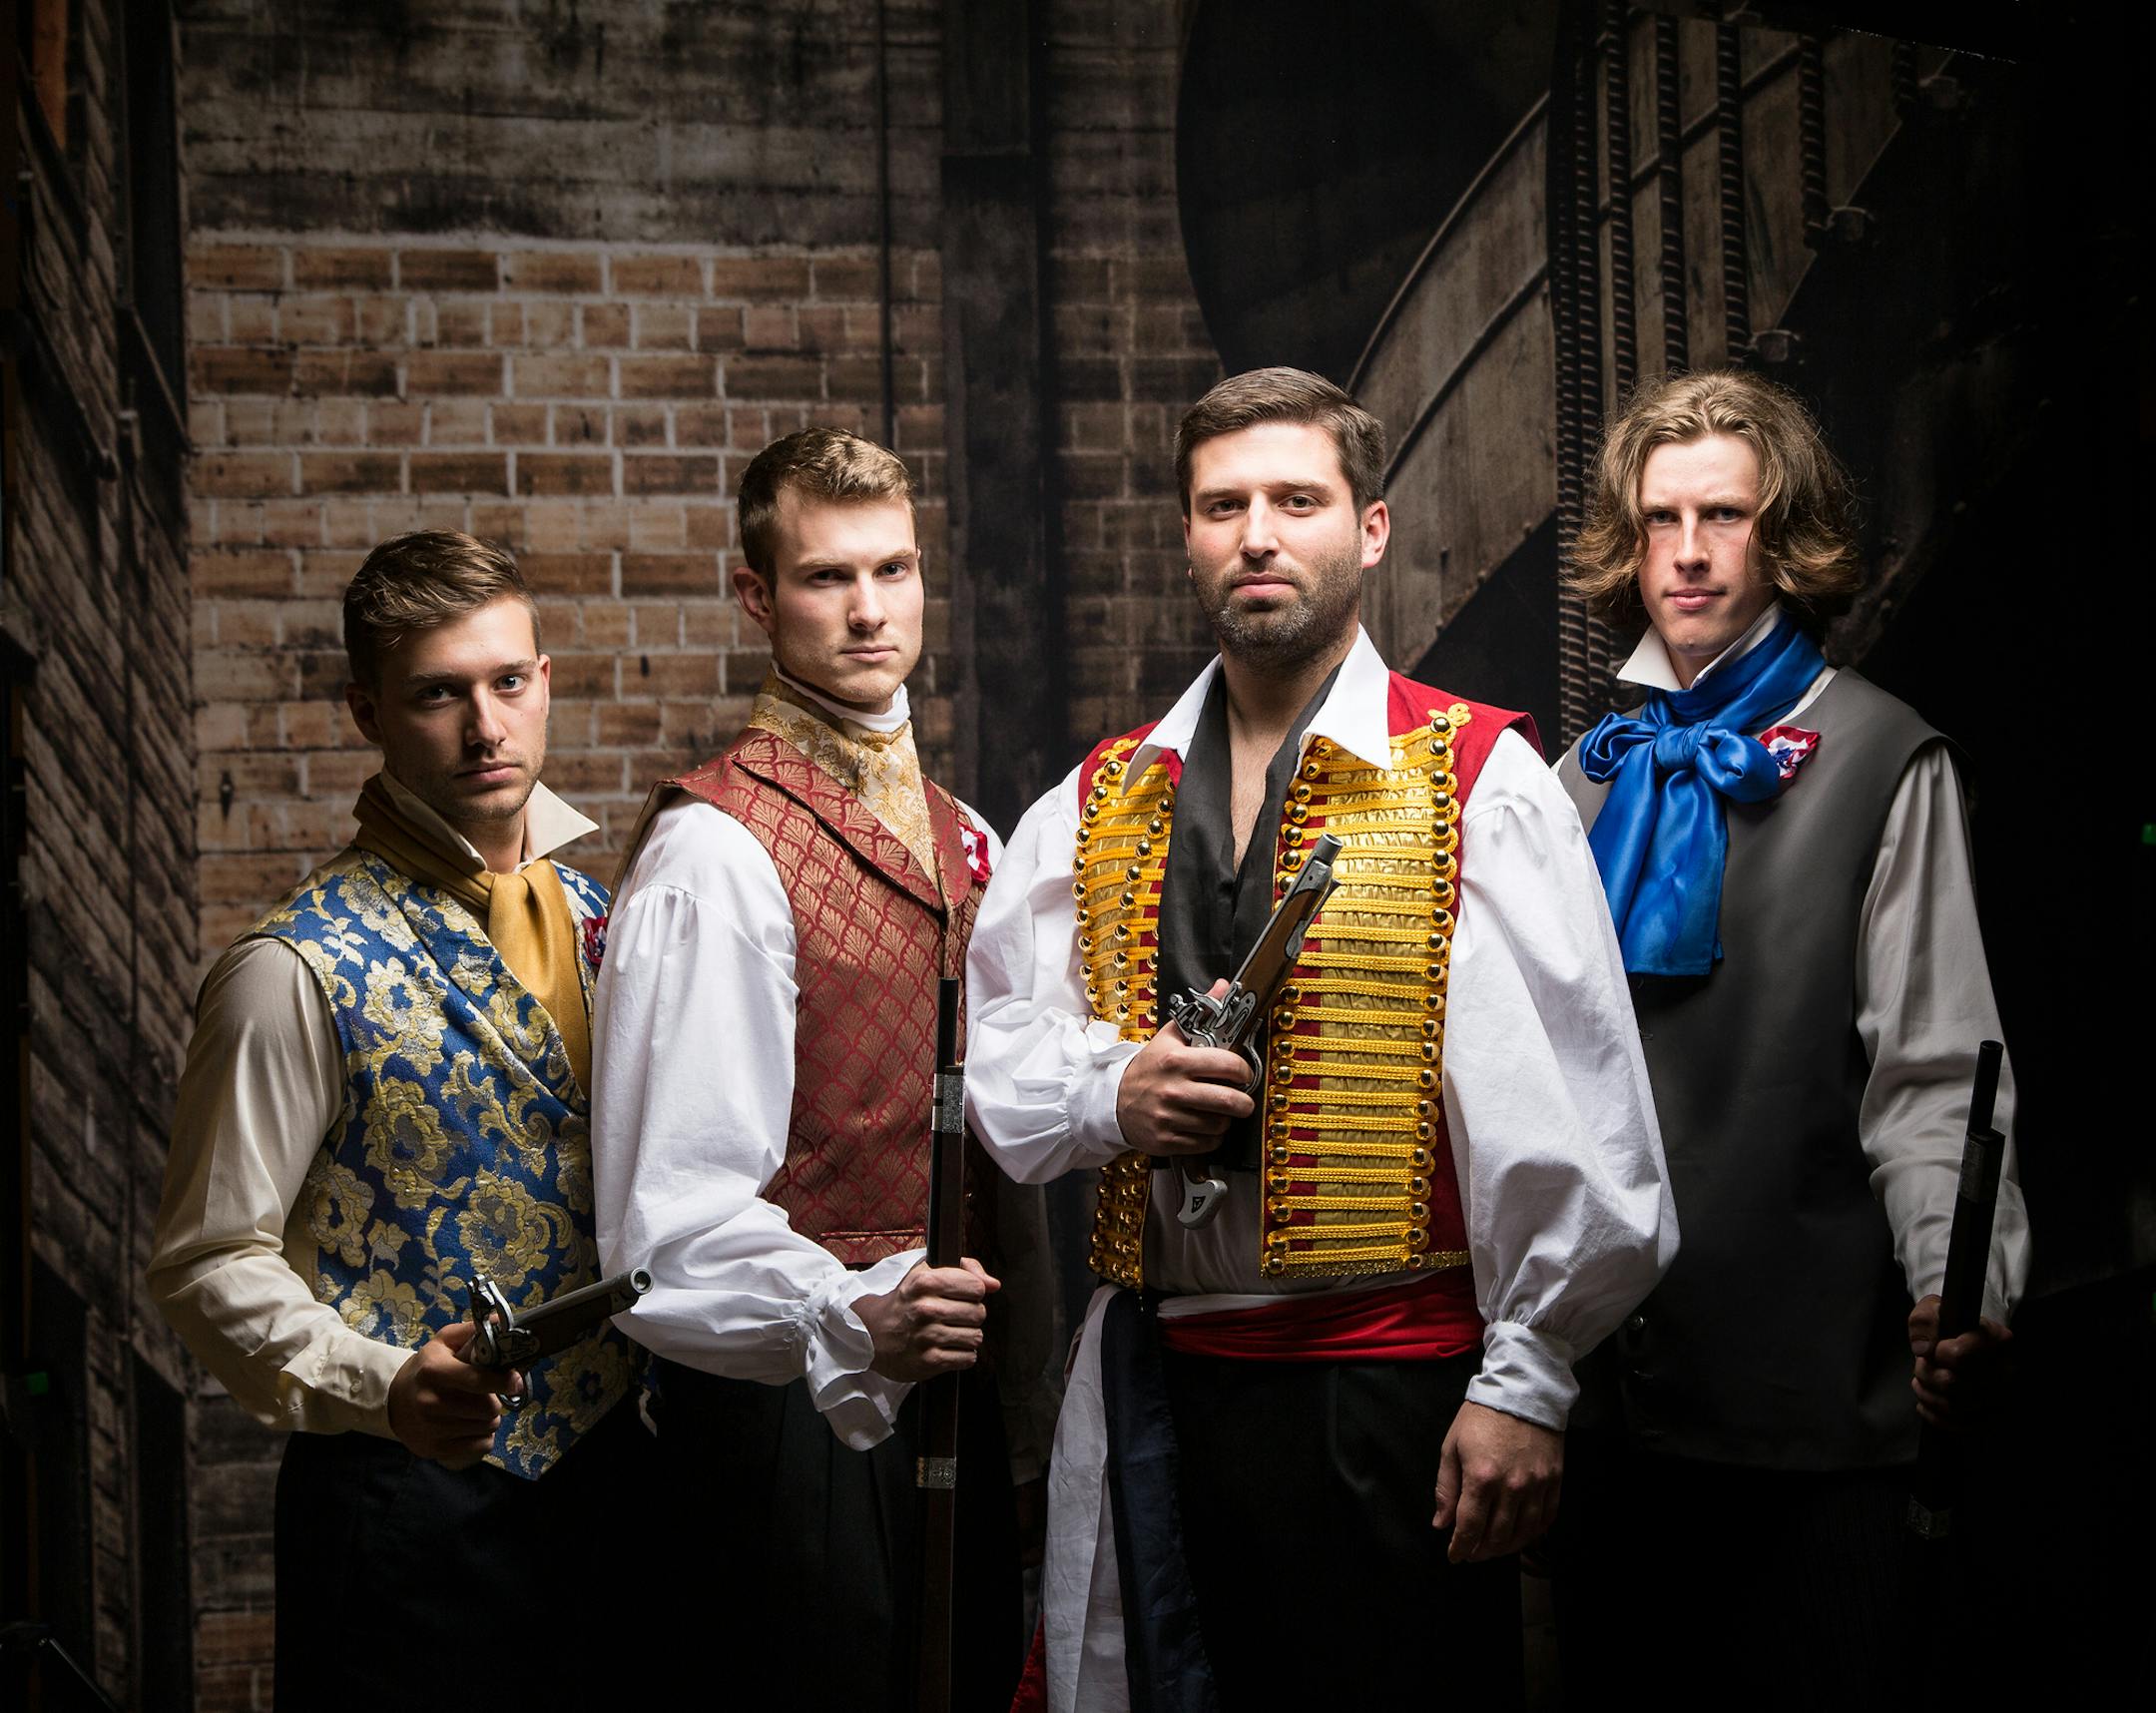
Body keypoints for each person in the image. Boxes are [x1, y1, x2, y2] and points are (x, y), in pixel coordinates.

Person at [966, 367, 1675, 1710]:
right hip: (1162, 1387)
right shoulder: (1103, 795)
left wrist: (1525, 1380)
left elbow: (1586, 1115)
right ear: (1186, 534)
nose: (1257, 533)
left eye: (1297, 499)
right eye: (1222, 504)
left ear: (1373, 528)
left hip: (1394, 1390)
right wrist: (1112, 1088)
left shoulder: (1478, 780)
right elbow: (996, 1048)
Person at [1549, 368, 2029, 1702]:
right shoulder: (1573, 781)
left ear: (1788, 536)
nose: (1688, 553)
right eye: (1658, 519)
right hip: (1605, 1425)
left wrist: (1956, 1287)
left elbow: (1936, 1075)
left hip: (1817, 1421)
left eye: (1726, 517)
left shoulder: (1889, 760)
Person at [593, 428, 1053, 1712]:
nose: (869, 612)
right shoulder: (713, 854)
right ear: (757, 596)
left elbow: (1009, 1153)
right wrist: (846, 1314)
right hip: (781, 1421)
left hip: (954, 1404)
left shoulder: (972, 838)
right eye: (825, 578)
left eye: (894, 571)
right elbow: (661, 1230)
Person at [148, 531, 646, 1709]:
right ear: (367, 709)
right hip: (404, 1514)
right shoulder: (291, 968)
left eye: (507, 682)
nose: (486, 727)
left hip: (621, 1492)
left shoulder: (615, 918)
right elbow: (209, 1259)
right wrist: (384, 1386)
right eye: (438, 693)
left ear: (545, 682)